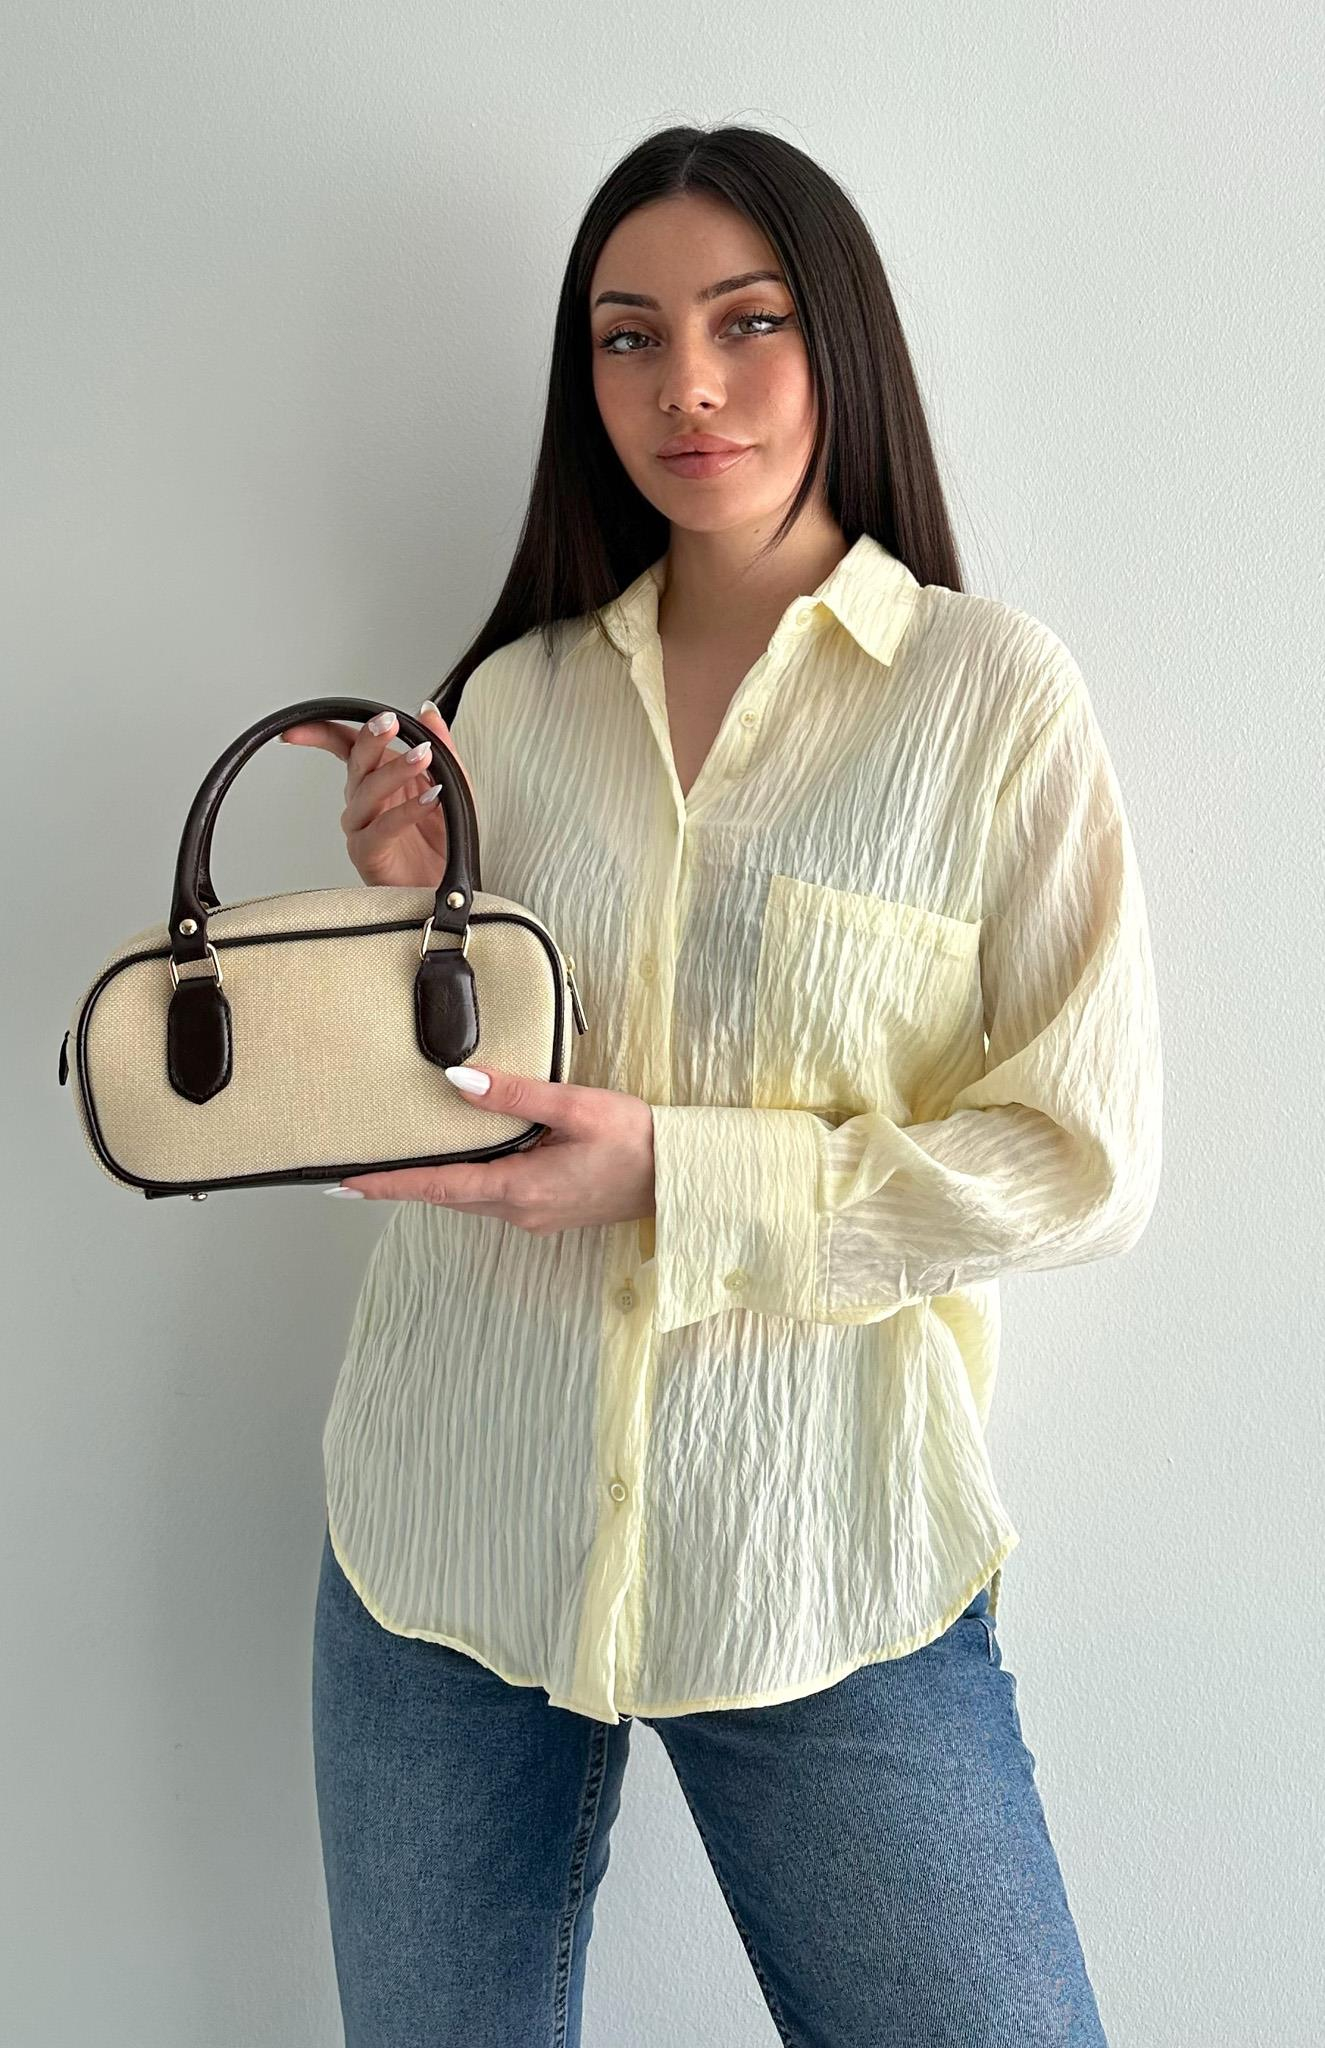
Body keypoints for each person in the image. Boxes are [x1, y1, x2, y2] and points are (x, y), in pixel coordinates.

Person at [287, 123, 1162, 2047]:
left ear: (836, 337)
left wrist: (683, 1176)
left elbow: (1079, 1158)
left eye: (744, 322)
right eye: (627, 337)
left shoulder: (987, 696)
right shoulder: (511, 700)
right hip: (447, 1527)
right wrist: (407, 910)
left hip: (816, 1554)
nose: (682, 385)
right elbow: (448, 1110)